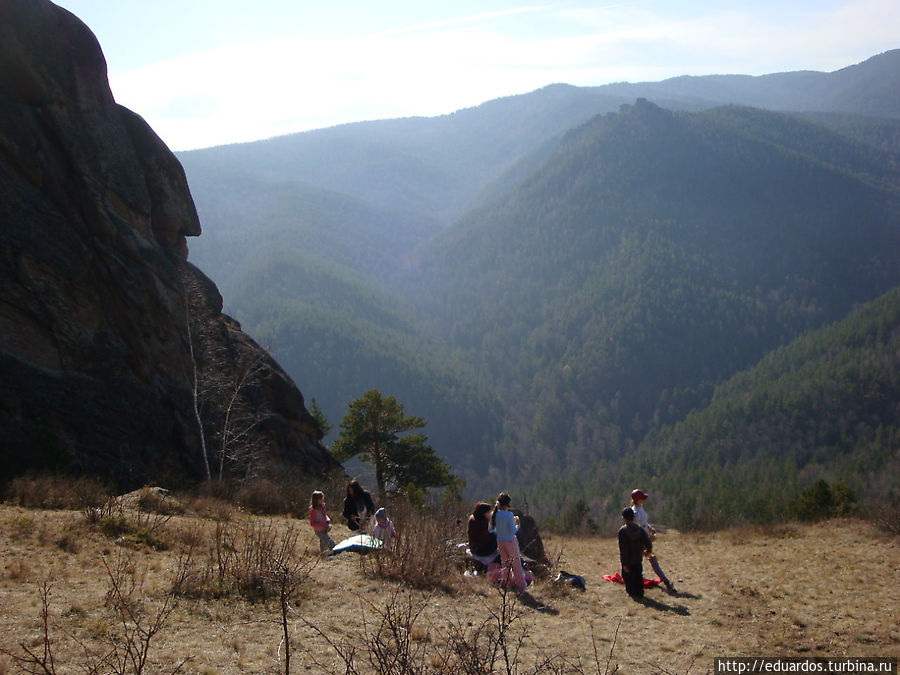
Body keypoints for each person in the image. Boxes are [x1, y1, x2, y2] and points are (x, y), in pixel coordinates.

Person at [630, 489, 676, 592]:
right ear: (638, 500)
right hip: (640, 544)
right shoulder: (635, 513)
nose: (644, 500)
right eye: (642, 498)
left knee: (651, 561)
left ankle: (666, 581)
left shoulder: (640, 508)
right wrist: (648, 539)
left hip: (644, 542)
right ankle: (666, 582)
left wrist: (650, 529)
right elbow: (636, 530)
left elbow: (644, 524)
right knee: (643, 562)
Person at [489, 492, 528, 594]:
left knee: (505, 564)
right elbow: (512, 530)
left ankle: (508, 583)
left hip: (500, 542)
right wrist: (517, 524)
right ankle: (521, 586)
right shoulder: (509, 514)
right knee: (516, 565)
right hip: (510, 541)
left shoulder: (495, 514)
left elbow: (494, 530)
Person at [618, 506, 652, 599]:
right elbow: (648, 542)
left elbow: (623, 549)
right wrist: (647, 551)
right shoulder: (640, 529)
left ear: (624, 518)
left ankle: (632, 593)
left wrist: (624, 563)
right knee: (638, 575)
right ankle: (640, 592)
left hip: (628, 560)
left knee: (628, 577)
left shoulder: (622, 531)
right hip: (638, 558)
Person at [309, 490, 335, 554]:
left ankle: (323, 557)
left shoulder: (322, 507)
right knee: (330, 543)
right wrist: (322, 524)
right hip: (319, 530)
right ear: (316, 500)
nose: (322, 500)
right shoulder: (313, 510)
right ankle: (336, 552)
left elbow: (324, 515)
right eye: (320, 499)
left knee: (323, 545)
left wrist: (328, 520)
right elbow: (312, 523)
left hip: (325, 529)